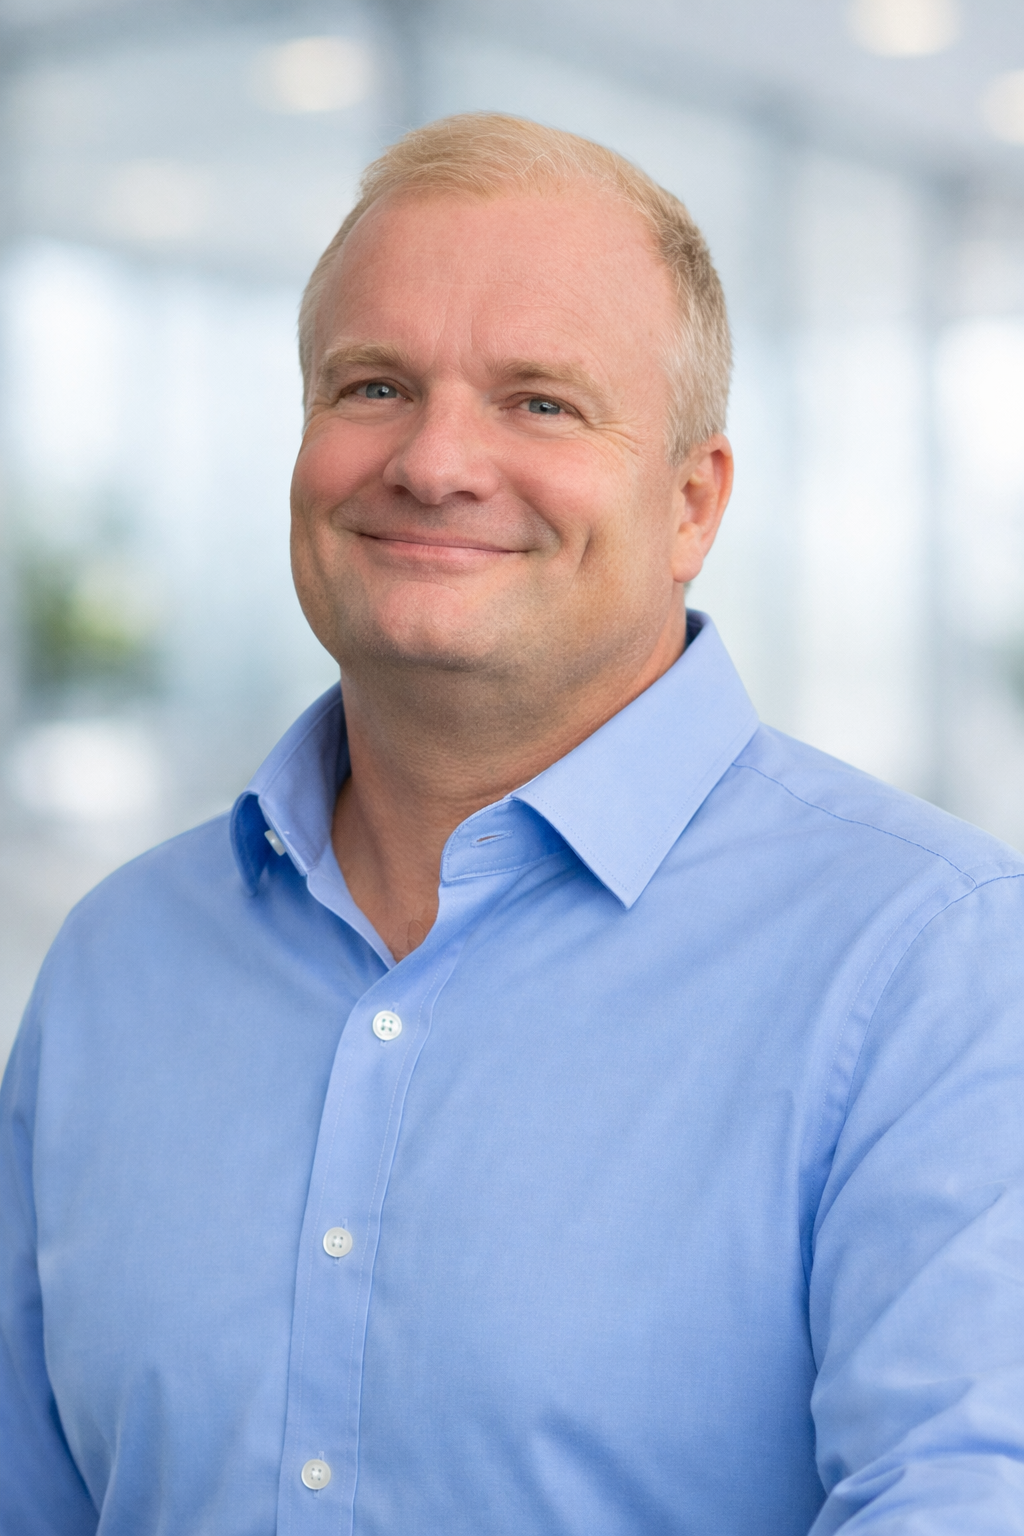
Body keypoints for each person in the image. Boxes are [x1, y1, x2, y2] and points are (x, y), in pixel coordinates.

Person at [1, 112, 1022, 1536]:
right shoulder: (117, 964)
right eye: (371, 385)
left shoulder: (940, 963)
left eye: (540, 402)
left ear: (690, 500)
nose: (433, 462)